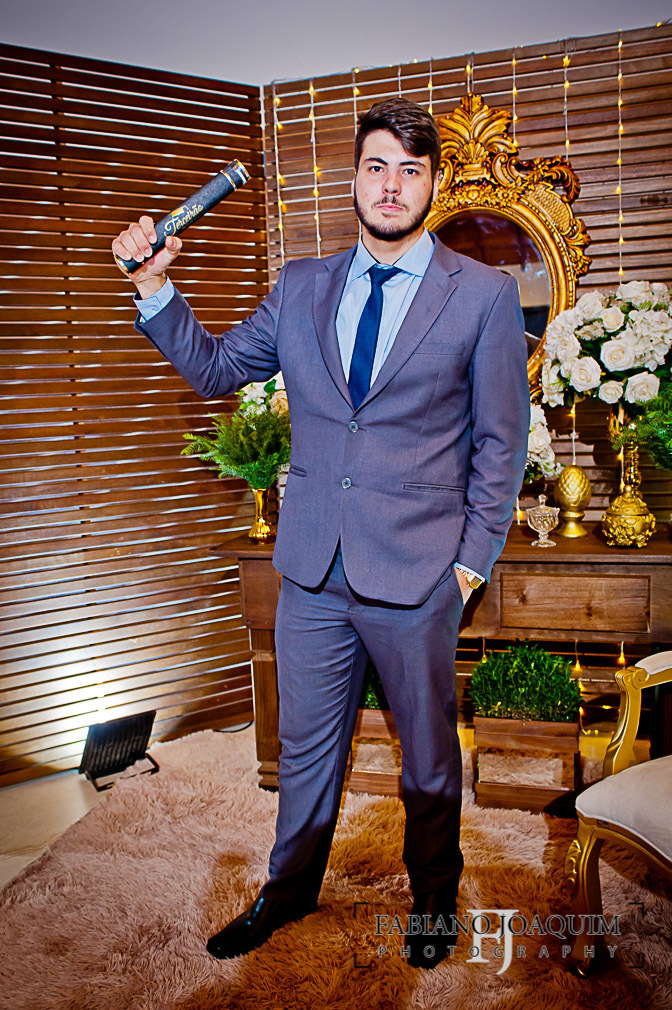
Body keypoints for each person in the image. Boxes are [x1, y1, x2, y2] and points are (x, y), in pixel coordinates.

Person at [112, 97, 530, 970]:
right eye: (377, 166)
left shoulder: (484, 295)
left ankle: (433, 898)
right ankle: (289, 890)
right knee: (303, 752)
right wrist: (154, 286)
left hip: (419, 572)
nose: (392, 185)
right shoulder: (302, 285)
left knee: (427, 762)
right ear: (354, 179)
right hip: (309, 570)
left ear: (433, 184)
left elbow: (502, 442)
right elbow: (219, 368)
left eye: (411, 170)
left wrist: (467, 567)